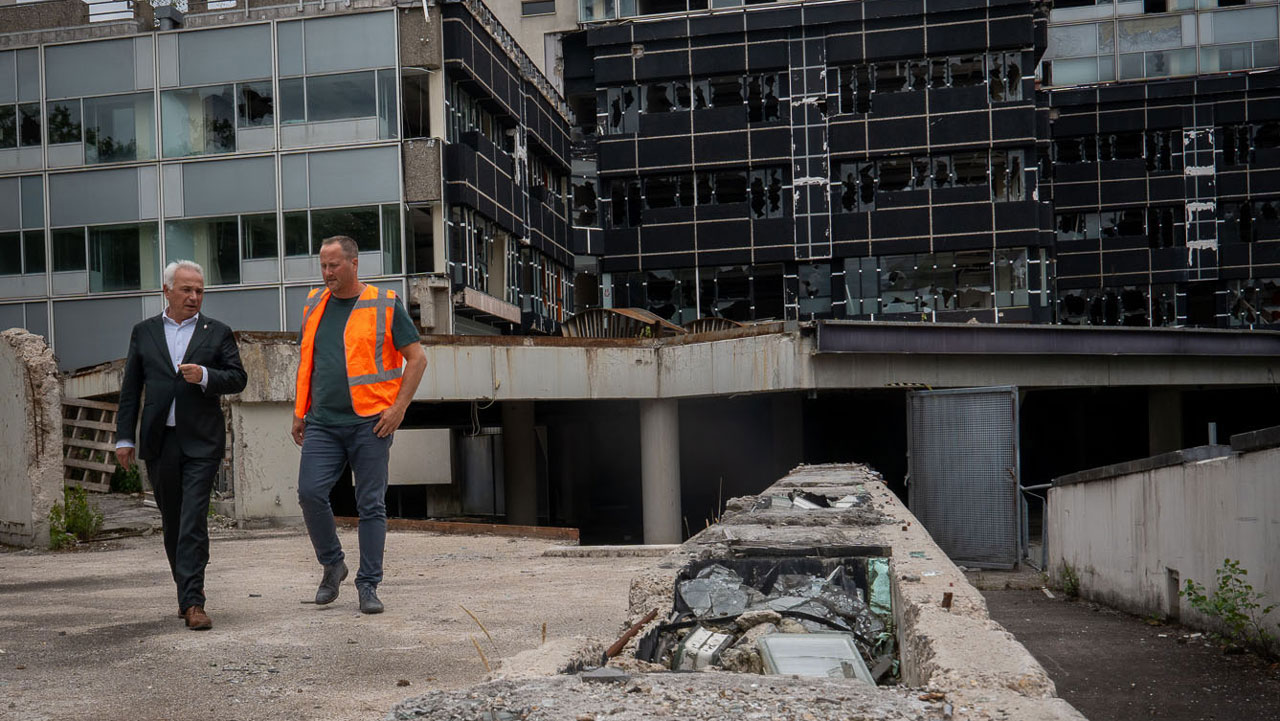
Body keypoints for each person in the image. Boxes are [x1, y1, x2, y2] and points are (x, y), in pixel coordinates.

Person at [293, 235, 427, 614]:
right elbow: (309, 363)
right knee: (310, 493)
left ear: (354, 264)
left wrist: (398, 408)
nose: (327, 273)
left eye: (333, 265)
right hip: (322, 422)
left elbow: (417, 360)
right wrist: (298, 411)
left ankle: (368, 585)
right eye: (323, 265)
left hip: (371, 423)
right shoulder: (313, 304)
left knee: (371, 505)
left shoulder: (384, 304)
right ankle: (333, 564)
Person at [115, 260, 247, 631]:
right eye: (186, 290)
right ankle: (184, 590)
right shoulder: (144, 332)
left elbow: (238, 377)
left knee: (193, 521)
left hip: (202, 441)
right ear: (167, 291)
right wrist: (124, 438)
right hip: (160, 442)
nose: (193, 297)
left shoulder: (217, 332)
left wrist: (205, 375)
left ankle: (194, 602)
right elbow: (130, 390)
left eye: (199, 290)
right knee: (172, 520)